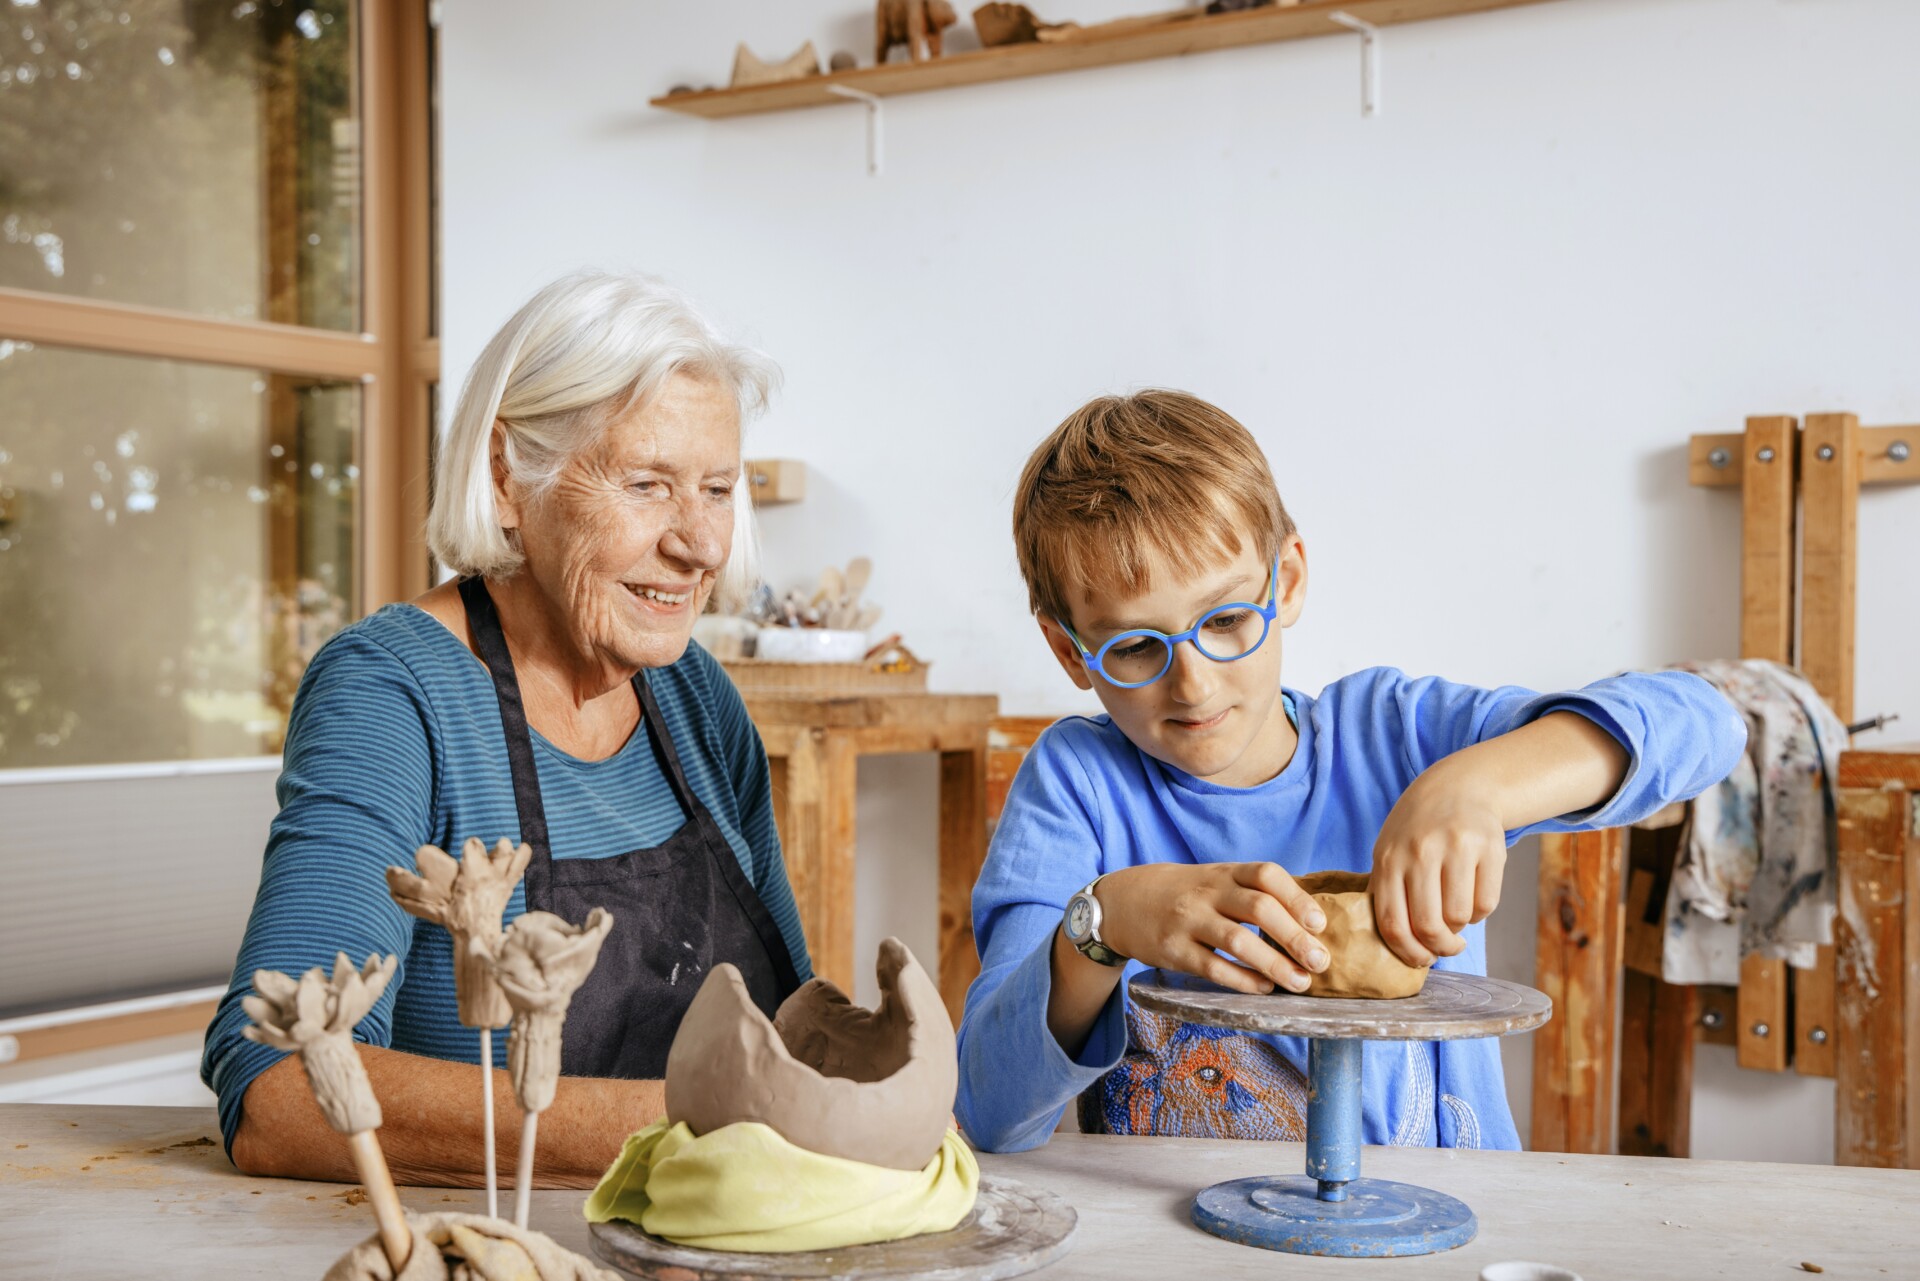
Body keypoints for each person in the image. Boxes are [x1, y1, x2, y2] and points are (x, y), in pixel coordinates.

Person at [956, 390, 1745, 1152]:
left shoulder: (1398, 737)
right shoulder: (1076, 787)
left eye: (1227, 619)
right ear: (1069, 651)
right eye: (1133, 647)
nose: (1193, 684)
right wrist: (1108, 921)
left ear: (1287, 580)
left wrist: (1476, 785)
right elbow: (991, 1109)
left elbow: (1708, 721)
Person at [201, 271, 811, 1186]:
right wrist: (687, 1125)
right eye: (648, 485)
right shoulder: (393, 693)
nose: (701, 544)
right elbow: (280, 1088)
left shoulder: (696, 697)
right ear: (507, 477)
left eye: (717, 489)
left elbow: (794, 1033)